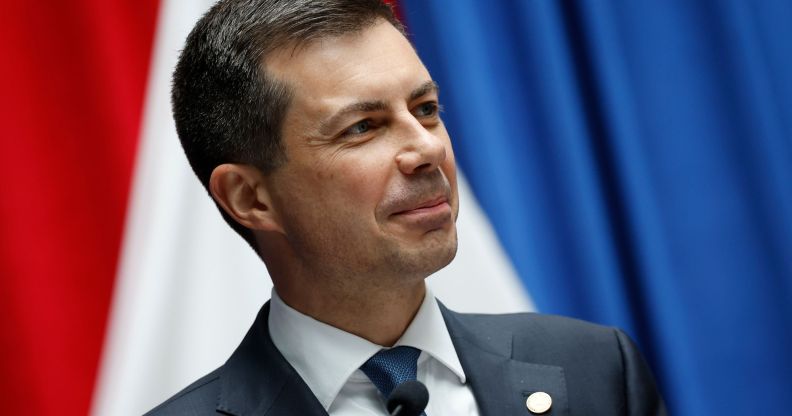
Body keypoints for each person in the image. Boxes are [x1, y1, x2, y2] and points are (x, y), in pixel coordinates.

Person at [148, 0, 666, 415]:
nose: (427, 150)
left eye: (426, 109)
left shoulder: (596, 370)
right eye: (363, 127)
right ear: (250, 197)